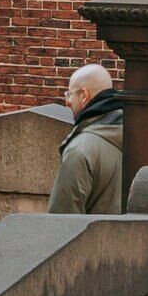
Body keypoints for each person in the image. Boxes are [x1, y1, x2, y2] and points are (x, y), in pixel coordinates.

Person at [49, 63, 126, 214]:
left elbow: (62, 219)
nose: (67, 102)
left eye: (69, 94)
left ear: (84, 95)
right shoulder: (136, 137)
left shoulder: (79, 149)